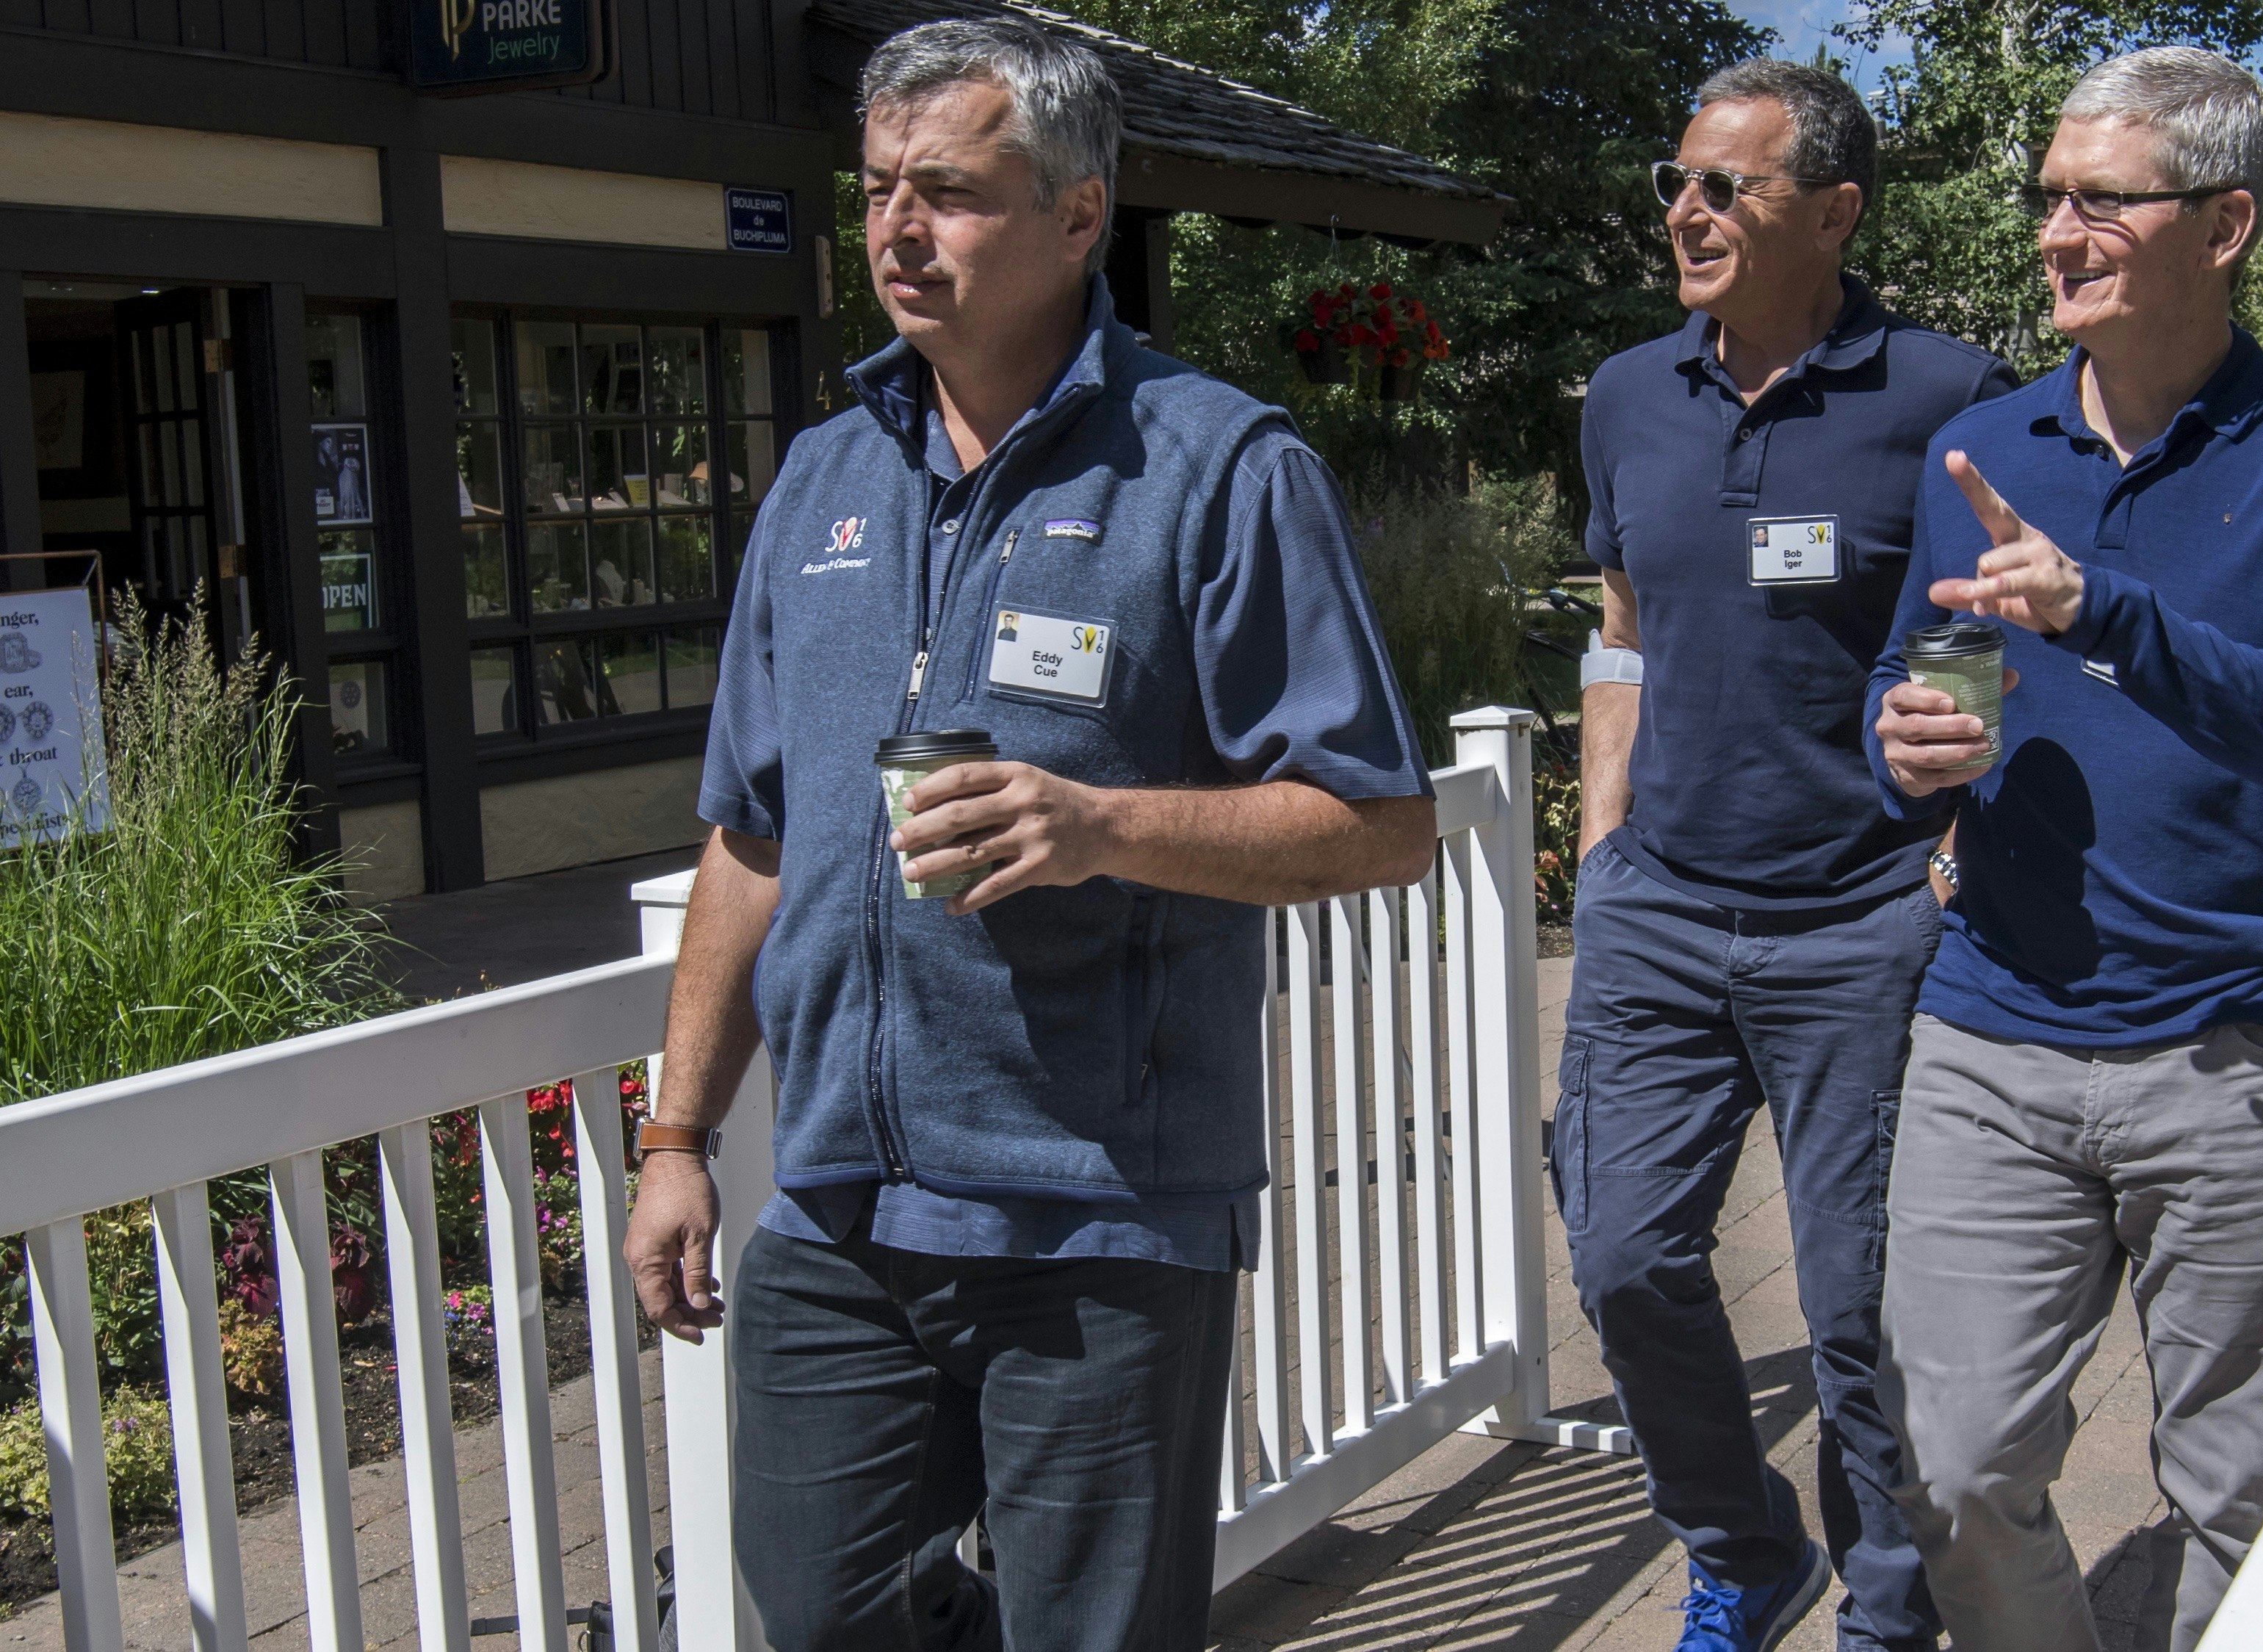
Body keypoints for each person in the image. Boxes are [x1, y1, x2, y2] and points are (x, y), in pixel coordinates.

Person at [618, 20, 1437, 1650]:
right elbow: (753, 831)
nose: (897, 231)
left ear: (1078, 215)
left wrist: (1101, 821)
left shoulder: (1215, 467)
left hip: (1100, 1209)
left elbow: (1378, 820)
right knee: (819, 1613)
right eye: (875, 193)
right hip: (844, 1205)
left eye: (948, 192)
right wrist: (676, 1135)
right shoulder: (822, 483)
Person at [1864, 46, 2263, 1652]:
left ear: (2224, 220)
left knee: (2250, 1515)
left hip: (2239, 1050)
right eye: (2047, 195)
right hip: (1993, 1029)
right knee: (1954, 1465)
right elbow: (1942, 665)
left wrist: (2104, 615)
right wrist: (1910, 737)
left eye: (2097, 199)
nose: (2053, 229)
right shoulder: (1991, 448)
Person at [1562, 58, 2018, 1652]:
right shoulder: (1624, 394)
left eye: (1722, 188)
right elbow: (1619, 624)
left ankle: (1883, 1614)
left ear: (1830, 211)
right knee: (1622, 1258)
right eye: (1675, 183)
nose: (1683, 212)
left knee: (1857, 1318)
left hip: (1862, 920)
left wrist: (1948, 841)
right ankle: (1742, 1545)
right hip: (1660, 912)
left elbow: (1985, 631)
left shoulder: (1945, 392)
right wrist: (1601, 843)